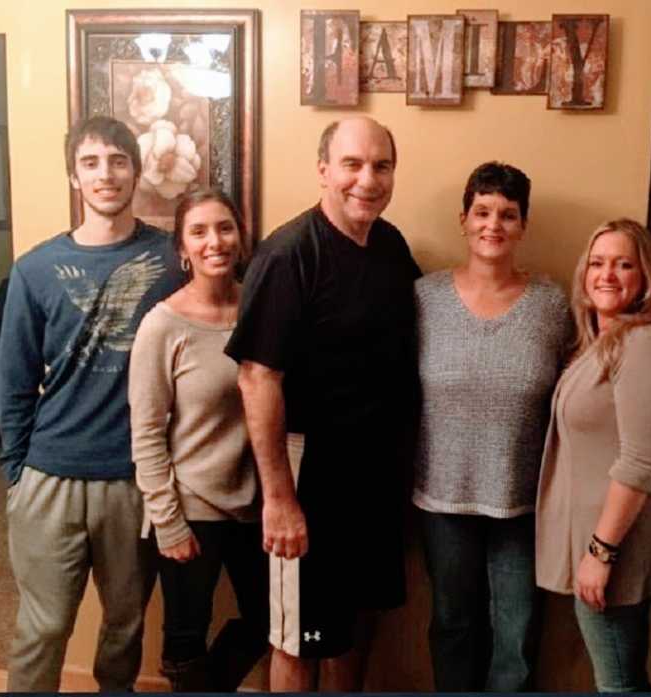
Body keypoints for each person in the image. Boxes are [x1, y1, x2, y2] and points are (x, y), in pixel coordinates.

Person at [224, 116, 420, 692]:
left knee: (353, 628)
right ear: (323, 171)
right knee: (299, 639)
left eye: (381, 166)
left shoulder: (390, 246)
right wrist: (281, 500)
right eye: (352, 165)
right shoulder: (288, 256)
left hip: (375, 477)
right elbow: (257, 380)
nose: (368, 179)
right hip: (308, 475)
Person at [0, 116, 182, 691]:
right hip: (49, 477)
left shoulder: (176, 259)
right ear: (74, 175)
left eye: (118, 161)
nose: (106, 174)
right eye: (92, 162)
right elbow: (12, 380)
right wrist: (16, 473)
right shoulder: (35, 269)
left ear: (137, 169)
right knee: (43, 629)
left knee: (125, 629)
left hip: (135, 482)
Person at [414, 162, 571, 691]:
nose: (493, 224)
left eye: (508, 214)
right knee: (453, 624)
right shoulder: (424, 298)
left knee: (518, 635)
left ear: (523, 225)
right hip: (442, 500)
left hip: (523, 503)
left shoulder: (552, 304)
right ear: (463, 219)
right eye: (482, 211)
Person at [535, 219, 651, 691]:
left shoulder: (645, 347)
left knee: (619, 683)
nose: (607, 274)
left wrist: (600, 553)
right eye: (598, 263)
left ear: (647, 278)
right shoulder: (601, 344)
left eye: (624, 265)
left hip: (614, 546)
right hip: (593, 542)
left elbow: (640, 464)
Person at [128, 189, 268, 691]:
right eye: (200, 231)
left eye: (225, 228)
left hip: (258, 505)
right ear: (183, 249)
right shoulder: (162, 326)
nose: (216, 242)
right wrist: (166, 522)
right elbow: (145, 433)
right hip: (190, 509)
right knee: (184, 639)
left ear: (240, 235)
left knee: (269, 623)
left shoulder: (261, 308)